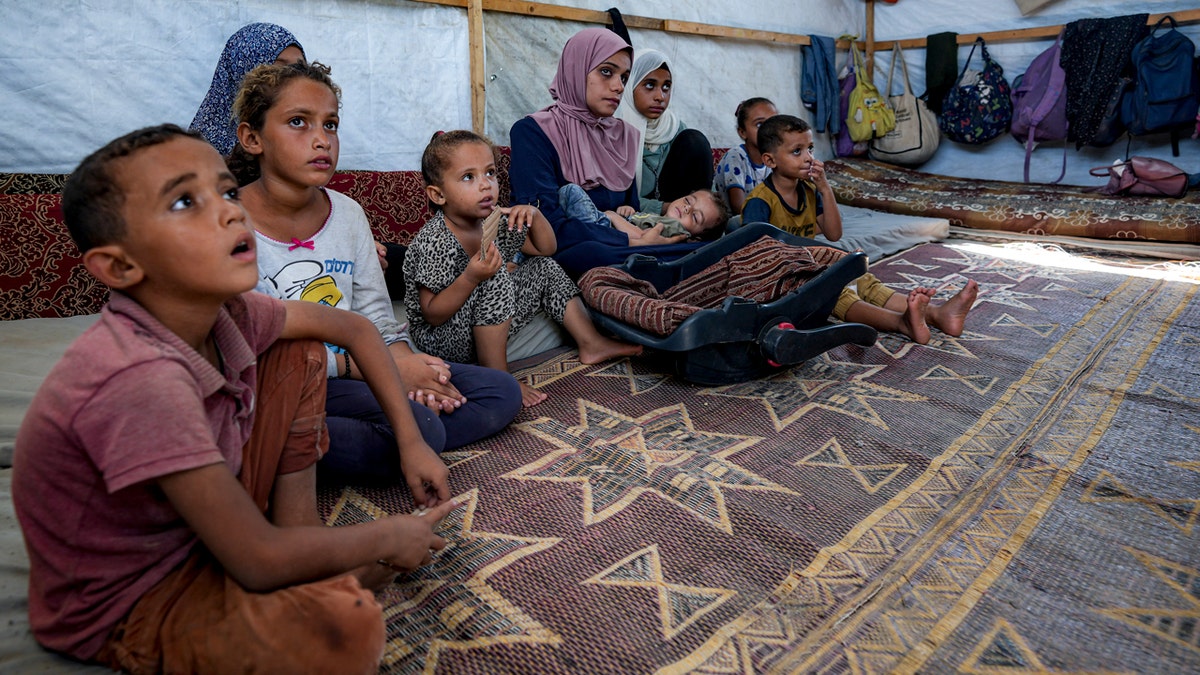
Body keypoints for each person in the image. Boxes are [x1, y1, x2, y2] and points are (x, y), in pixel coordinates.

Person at [12, 124, 461, 673]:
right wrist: (386, 535)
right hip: (135, 599)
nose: (230, 213)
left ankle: (300, 532)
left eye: (227, 193)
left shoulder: (236, 311)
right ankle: (301, 572)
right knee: (345, 625)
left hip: (208, 538)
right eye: (184, 201)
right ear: (121, 268)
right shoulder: (138, 378)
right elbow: (254, 560)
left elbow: (353, 329)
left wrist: (411, 441)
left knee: (301, 350)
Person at [232, 61, 521, 483]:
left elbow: (376, 315)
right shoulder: (227, 222)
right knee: (421, 427)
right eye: (299, 122)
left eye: (330, 125)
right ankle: (281, 445)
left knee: (499, 392)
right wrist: (379, 370)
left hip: (362, 372)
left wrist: (408, 367)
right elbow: (252, 349)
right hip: (286, 386)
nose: (321, 140)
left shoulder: (347, 214)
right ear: (252, 138)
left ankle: (343, 442)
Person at [406, 130, 643, 407]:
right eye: (469, 177)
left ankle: (591, 342)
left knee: (543, 267)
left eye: (490, 173)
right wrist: (472, 276)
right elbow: (432, 314)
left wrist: (536, 215)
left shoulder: (494, 221)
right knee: (494, 276)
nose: (485, 185)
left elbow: (546, 249)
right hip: (442, 339)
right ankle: (498, 374)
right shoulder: (434, 240)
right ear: (438, 194)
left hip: (479, 325)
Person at [744, 114, 978, 344]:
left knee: (861, 278)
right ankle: (901, 322)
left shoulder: (809, 190)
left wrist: (825, 189)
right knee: (834, 293)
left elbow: (834, 234)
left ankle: (937, 315)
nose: (808, 158)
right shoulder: (760, 202)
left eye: (810, 149)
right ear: (770, 160)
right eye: (797, 151)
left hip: (810, 264)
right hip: (783, 278)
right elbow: (757, 256)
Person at [508, 27, 709, 279]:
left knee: (697, 247)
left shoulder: (623, 134)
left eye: (624, 77)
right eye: (606, 72)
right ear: (576, 69)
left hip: (624, 245)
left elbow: (632, 209)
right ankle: (671, 267)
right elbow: (545, 226)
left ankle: (673, 263)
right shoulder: (532, 132)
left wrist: (642, 234)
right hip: (570, 248)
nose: (618, 86)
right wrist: (634, 243)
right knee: (593, 254)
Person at [613, 48, 715, 217]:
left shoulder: (674, 128)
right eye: (650, 85)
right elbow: (614, 199)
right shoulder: (614, 129)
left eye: (666, 87)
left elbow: (705, 188)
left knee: (695, 140)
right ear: (629, 84)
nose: (660, 96)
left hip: (682, 213)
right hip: (632, 213)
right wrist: (664, 208)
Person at [190, 23, 305, 156]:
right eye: (279, 69)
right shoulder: (202, 151)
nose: (293, 76)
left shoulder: (304, 131)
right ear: (244, 70)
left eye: (299, 68)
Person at [558, 183, 729, 241]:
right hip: (606, 228)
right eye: (688, 201)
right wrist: (630, 213)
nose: (686, 208)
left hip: (604, 231)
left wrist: (615, 216)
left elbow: (641, 237)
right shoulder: (661, 220)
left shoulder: (675, 231)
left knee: (572, 192)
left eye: (694, 216)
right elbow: (638, 223)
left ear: (696, 238)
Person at [713, 97, 778, 215]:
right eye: (759, 124)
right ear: (742, 132)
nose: (769, 130)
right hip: (734, 221)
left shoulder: (774, 159)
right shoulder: (736, 157)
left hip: (760, 218)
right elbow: (739, 208)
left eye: (774, 123)